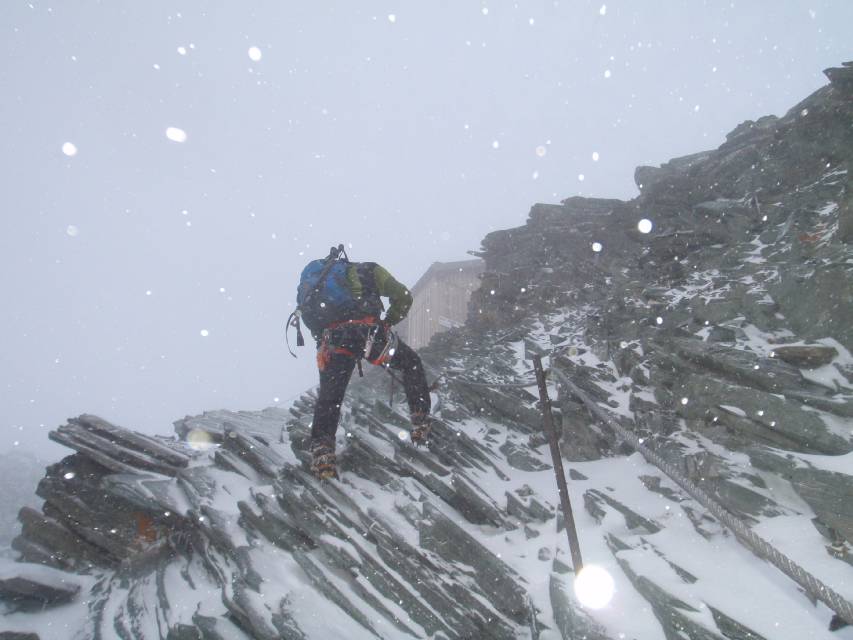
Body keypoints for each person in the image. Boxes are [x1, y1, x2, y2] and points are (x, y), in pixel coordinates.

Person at [293, 246, 431, 480]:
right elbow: (403, 296)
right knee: (411, 364)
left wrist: (326, 339)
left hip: (334, 342)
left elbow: (309, 318)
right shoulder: (369, 270)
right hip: (370, 335)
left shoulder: (315, 286)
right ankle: (420, 421)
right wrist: (388, 321)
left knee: (330, 397)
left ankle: (322, 451)